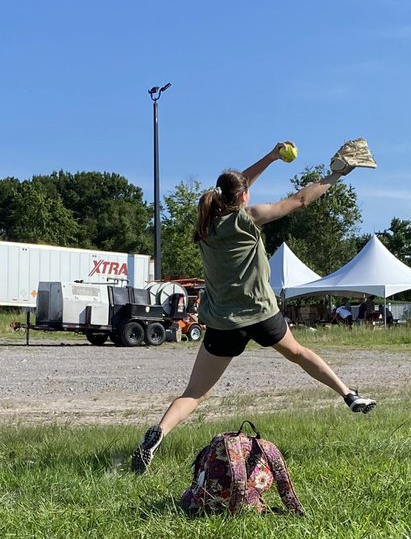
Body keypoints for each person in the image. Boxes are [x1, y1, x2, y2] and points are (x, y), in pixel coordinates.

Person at [131, 142, 377, 473]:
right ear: (243, 197)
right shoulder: (250, 218)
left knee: (194, 393)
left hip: (222, 322)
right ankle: (348, 394)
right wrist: (335, 174)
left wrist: (272, 158)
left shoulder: (205, 224)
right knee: (299, 353)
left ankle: (158, 432)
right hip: (261, 314)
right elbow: (300, 200)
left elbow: (234, 187)